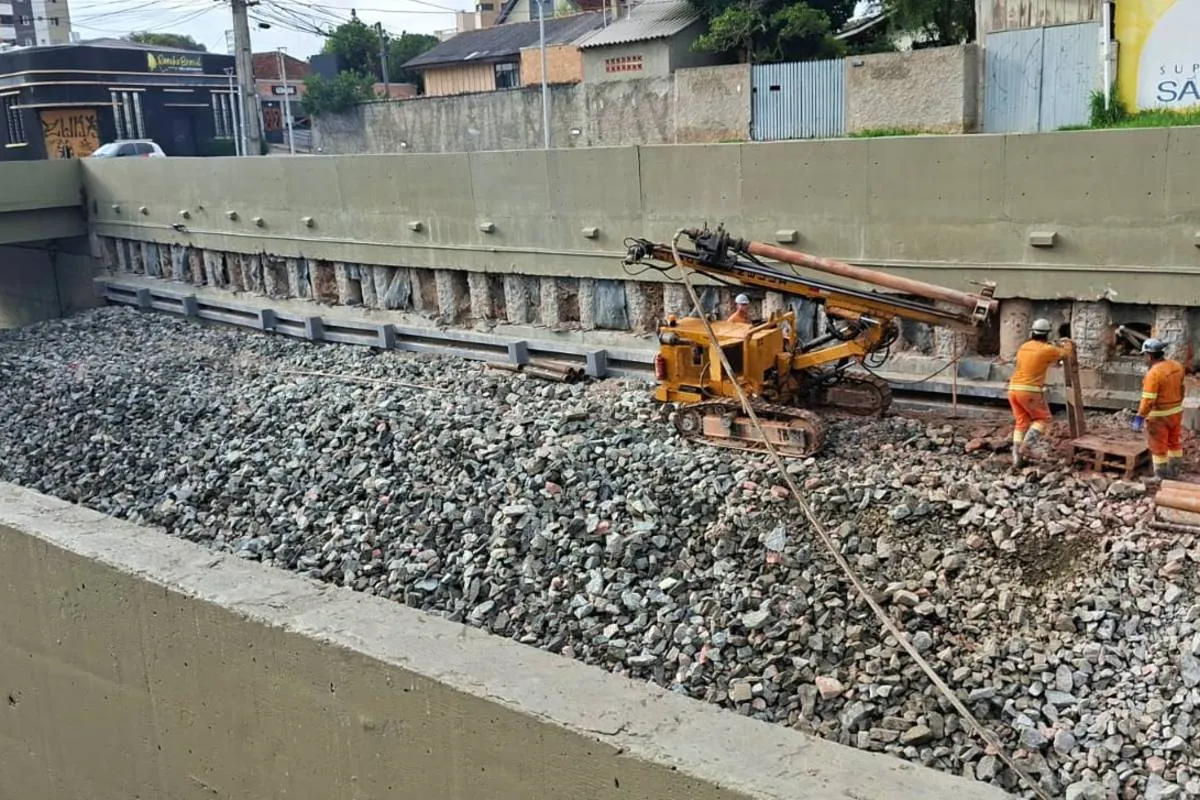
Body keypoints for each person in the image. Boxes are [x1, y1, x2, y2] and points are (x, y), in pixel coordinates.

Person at [1008, 318, 1073, 468]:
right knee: (1043, 419)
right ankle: (1027, 446)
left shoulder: (1024, 346)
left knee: (1021, 422)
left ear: (1032, 332)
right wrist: (1067, 342)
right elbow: (1066, 354)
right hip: (1029, 391)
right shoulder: (1047, 350)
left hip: (1013, 389)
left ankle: (1016, 456)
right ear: (1047, 335)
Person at [1132, 337, 1186, 481]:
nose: (1144, 358)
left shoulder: (1153, 374)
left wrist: (1139, 417)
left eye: (1144, 355)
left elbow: (1148, 400)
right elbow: (1182, 389)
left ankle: (1160, 475)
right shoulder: (1177, 366)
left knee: (1158, 445)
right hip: (1176, 412)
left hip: (1159, 416)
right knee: (1174, 441)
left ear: (1149, 355)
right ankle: (1175, 470)